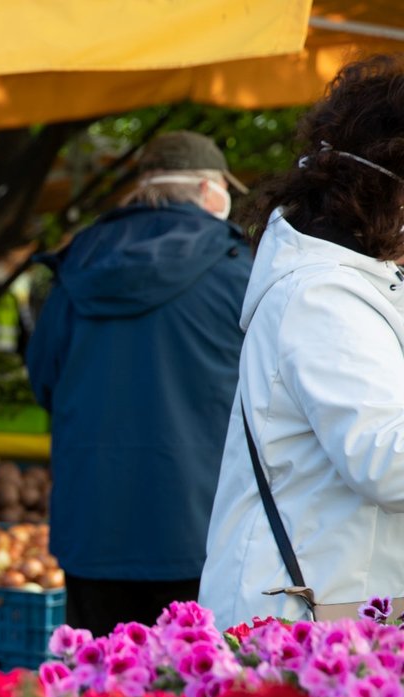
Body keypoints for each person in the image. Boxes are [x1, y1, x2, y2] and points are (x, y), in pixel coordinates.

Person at [200, 55, 404, 630]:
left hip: (344, 602)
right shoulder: (323, 297)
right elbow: (386, 462)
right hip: (300, 620)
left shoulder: (362, 282)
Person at [26, 130, 253, 637]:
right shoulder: (240, 271)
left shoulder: (78, 262)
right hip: (203, 526)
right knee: (192, 691)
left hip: (93, 527)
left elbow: (43, 380)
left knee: (101, 691)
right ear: (209, 189)